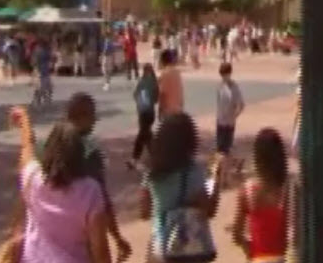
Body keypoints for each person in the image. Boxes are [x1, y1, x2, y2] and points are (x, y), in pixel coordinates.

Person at [8, 107, 112, 263]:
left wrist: (24, 121)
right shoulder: (90, 190)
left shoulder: (33, 177)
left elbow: (27, 148)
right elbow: (100, 249)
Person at [138, 112, 220, 263]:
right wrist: (216, 178)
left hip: (160, 247)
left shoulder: (151, 172)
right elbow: (209, 210)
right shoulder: (193, 170)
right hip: (188, 250)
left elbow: (144, 213)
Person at [65, 93, 133, 261]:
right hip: (83, 237)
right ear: (81, 117)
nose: (95, 120)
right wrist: (117, 237)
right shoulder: (90, 149)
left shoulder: (50, 147)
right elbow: (102, 199)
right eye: (92, 115)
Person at [231, 128, 295, 263]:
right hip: (280, 258)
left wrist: (248, 247)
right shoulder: (286, 190)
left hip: (258, 257)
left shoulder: (247, 191)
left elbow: (236, 234)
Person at [215, 62, 245, 160]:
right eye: (222, 75)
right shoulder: (220, 86)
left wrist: (234, 116)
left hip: (229, 123)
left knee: (226, 149)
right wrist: (219, 116)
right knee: (220, 149)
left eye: (225, 75)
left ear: (229, 74)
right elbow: (219, 102)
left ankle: (229, 164)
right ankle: (223, 165)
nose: (223, 78)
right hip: (220, 122)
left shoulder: (234, 88)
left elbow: (241, 105)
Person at [131, 64, 159, 168]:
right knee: (146, 134)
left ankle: (135, 158)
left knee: (143, 135)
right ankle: (154, 156)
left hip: (142, 112)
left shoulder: (141, 82)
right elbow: (156, 99)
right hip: (150, 112)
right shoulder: (154, 83)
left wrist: (141, 102)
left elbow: (135, 95)